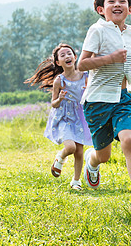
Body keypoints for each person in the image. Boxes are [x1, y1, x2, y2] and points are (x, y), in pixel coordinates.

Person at [77, 0, 131, 216]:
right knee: (104, 155)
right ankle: (92, 162)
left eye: (122, 1)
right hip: (97, 101)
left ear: (130, 9)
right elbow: (82, 64)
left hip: (123, 98)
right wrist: (110, 58)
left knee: (129, 141)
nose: (117, 4)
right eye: (111, 1)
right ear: (101, 9)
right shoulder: (97, 30)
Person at [25, 43, 92, 190]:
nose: (67, 56)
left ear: (75, 57)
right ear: (58, 62)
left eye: (69, 53)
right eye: (62, 55)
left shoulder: (85, 76)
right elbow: (53, 104)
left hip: (80, 116)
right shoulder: (59, 81)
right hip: (64, 117)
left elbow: (90, 93)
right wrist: (60, 98)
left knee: (79, 151)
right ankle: (60, 157)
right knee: (70, 147)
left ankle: (76, 181)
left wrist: (88, 91)